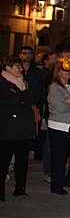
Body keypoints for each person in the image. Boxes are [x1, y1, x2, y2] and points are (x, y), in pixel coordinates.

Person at [0, 57, 38, 201]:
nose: (20, 69)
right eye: (16, 66)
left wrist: (25, 88)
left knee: (22, 160)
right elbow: (13, 100)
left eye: (20, 66)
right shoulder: (2, 83)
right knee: (4, 160)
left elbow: (34, 97)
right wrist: (22, 95)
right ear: (7, 68)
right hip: (7, 127)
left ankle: (20, 188)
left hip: (23, 127)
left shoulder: (24, 82)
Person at [47, 63, 70, 195]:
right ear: (58, 72)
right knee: (59, 157)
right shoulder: (54, 88)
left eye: (69, 70)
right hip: (59, 126)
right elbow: (60, 107)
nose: (68, 72)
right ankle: (57, 185)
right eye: (65, 70)